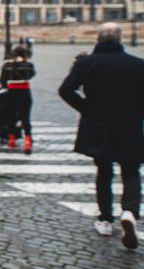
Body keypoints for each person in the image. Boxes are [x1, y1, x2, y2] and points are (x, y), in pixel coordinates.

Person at [59, 22, 144, 249]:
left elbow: (65, 90)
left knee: (104, 171)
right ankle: (129, 211)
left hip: (98, 125)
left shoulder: (87, 63)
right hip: (130, 125)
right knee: (131, 170)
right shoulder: (137, 64)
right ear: (120, 38)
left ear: (98, 38)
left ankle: (105, 219)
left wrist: (87, 109)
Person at [0, 45, 36, 153]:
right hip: (25, 92)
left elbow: (2, 80)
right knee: (25, 117)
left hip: (11, 92)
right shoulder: (29, 65)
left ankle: (11, 139)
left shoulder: (7, 65)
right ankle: (28, 140)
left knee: (11, 115)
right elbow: (31, 75)